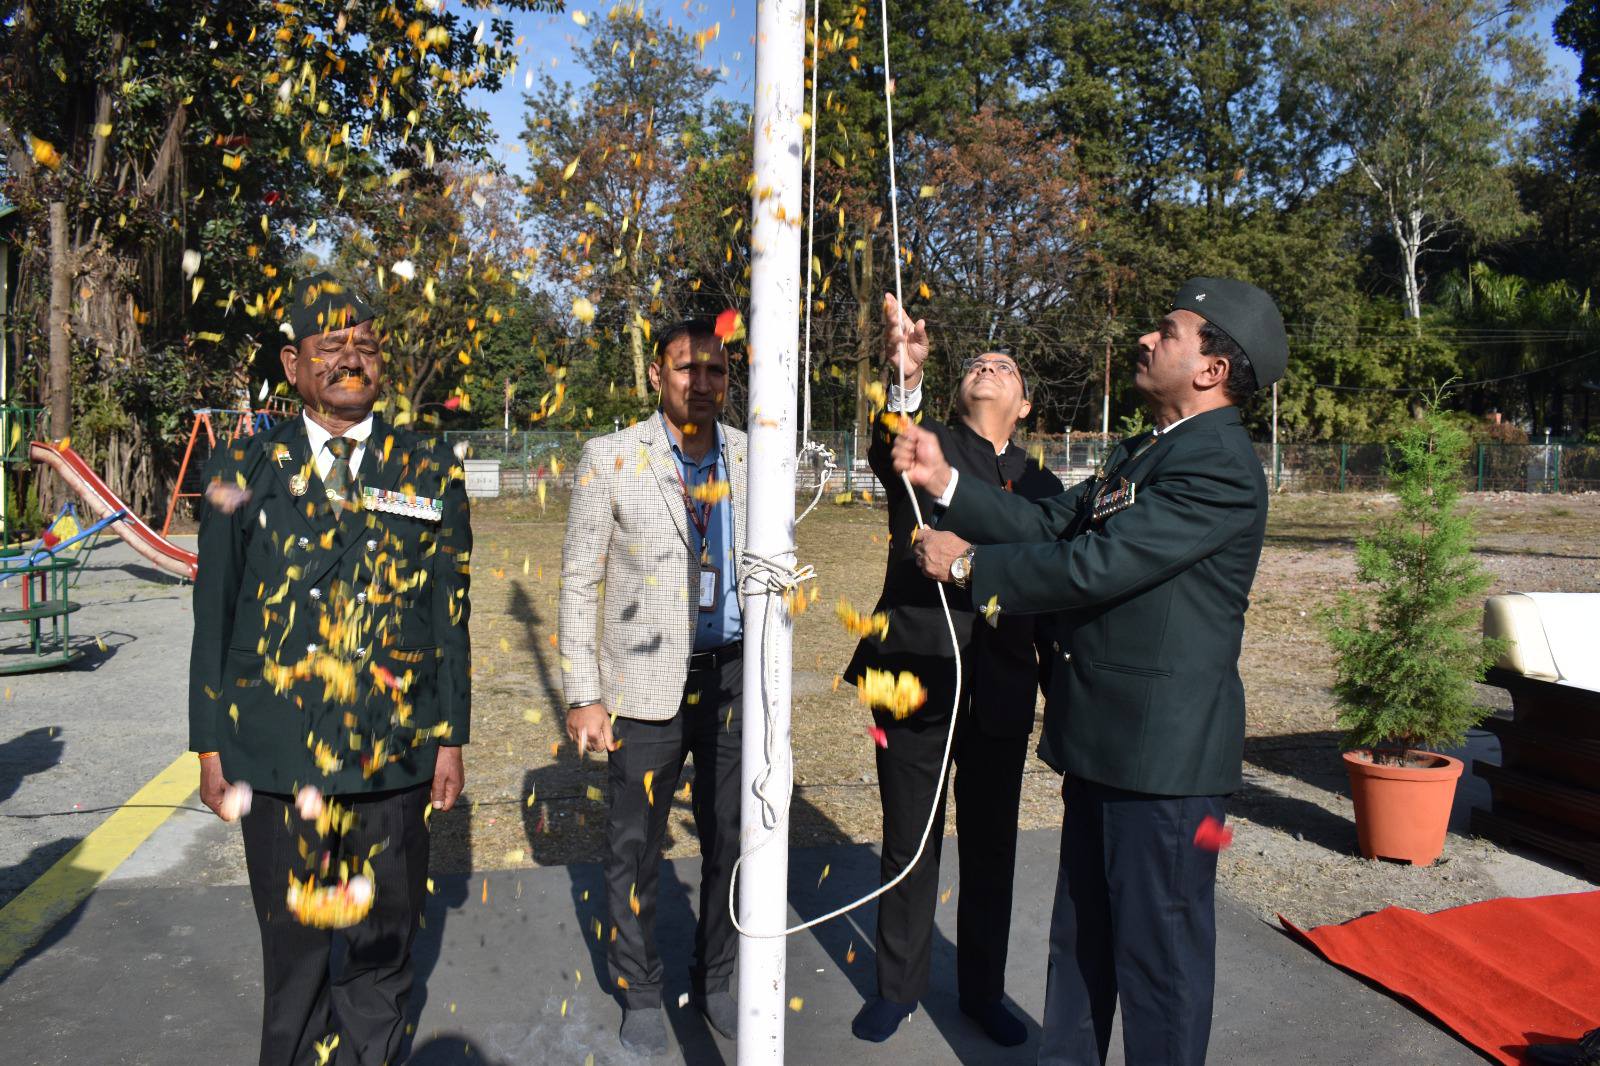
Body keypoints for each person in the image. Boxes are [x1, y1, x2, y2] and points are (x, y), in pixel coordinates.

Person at [892, 277, 1289, 1066]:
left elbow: (1095, 565)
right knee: (1079, 951)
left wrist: (970, 567)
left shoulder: (1217, 465)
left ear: (1211, 369)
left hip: (1164, 763)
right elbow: (1051, 521)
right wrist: (945, 482)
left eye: (1167, 332)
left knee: (1159, 966)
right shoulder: (1150, 448)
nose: (1146, 339)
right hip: (1106, 742)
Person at [189, 272, 471, 1066]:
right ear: (293, 364)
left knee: (383, 947)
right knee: (296, 955)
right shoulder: (243, 464)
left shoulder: (428, 468)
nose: (352, 359)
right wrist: (209, 746)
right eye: (332, 345)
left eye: (367, 346)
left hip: (393, 750)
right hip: (279, 752)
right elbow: (215, 614)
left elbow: (449, 616)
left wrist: (450, 737)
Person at [843, 294, 1061, 1045]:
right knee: (909, 835)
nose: (986, 367)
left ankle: (982, 992)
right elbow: (889, 445)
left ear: (1024, 405)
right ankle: (896, 989)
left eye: (1004, 366)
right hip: (909, 667)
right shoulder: (927, 443)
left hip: (1002, 678)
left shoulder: (1043, 488)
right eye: (976, 362)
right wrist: (903, 379)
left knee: (993, 842)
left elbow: (1054, 580)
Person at [559, 318, 748, 1056]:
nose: (701, 383)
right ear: (656, 375)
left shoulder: (751, 456)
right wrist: (584, 693)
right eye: (685, 368)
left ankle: (718, 976)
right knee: (634, 845)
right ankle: (639, 988)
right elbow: (580, 580)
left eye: (715, 370)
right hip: (642, 688)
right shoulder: (610, 457)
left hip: (732, 679)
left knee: (732, 837)